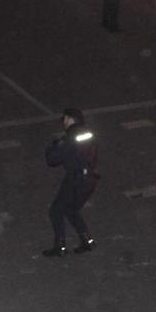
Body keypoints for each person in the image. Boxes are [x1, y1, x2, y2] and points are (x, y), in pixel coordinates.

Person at [41, 109, 98, 257]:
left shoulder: (69, 137)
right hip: (89, 179)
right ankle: (87, 241)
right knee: (71, 210)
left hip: (75, 180)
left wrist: (53, 145)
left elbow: (52, 160)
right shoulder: (88, 134)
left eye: (65, 119)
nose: (64, 122)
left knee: (56, 211)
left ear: (70, 119)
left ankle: (60, 246)